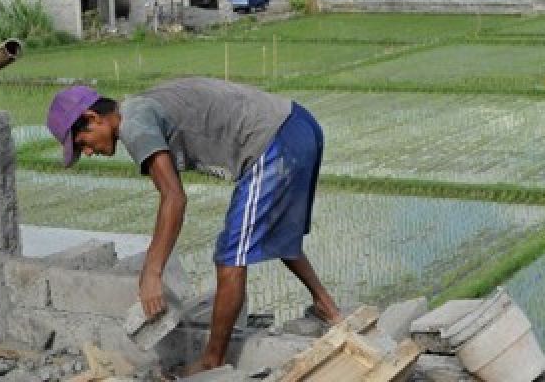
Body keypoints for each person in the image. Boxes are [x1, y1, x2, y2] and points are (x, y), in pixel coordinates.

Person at [46, 78, 340, 372]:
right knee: (274, 231)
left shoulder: (134, 126)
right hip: (297, 124)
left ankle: (212, 361)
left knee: (230, 255)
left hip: (273, 141)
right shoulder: (139, 106)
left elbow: (174, 198)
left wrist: (152, 271)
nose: (87, 152)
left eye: (82, 143)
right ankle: (326, 307)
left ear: (92, 118)